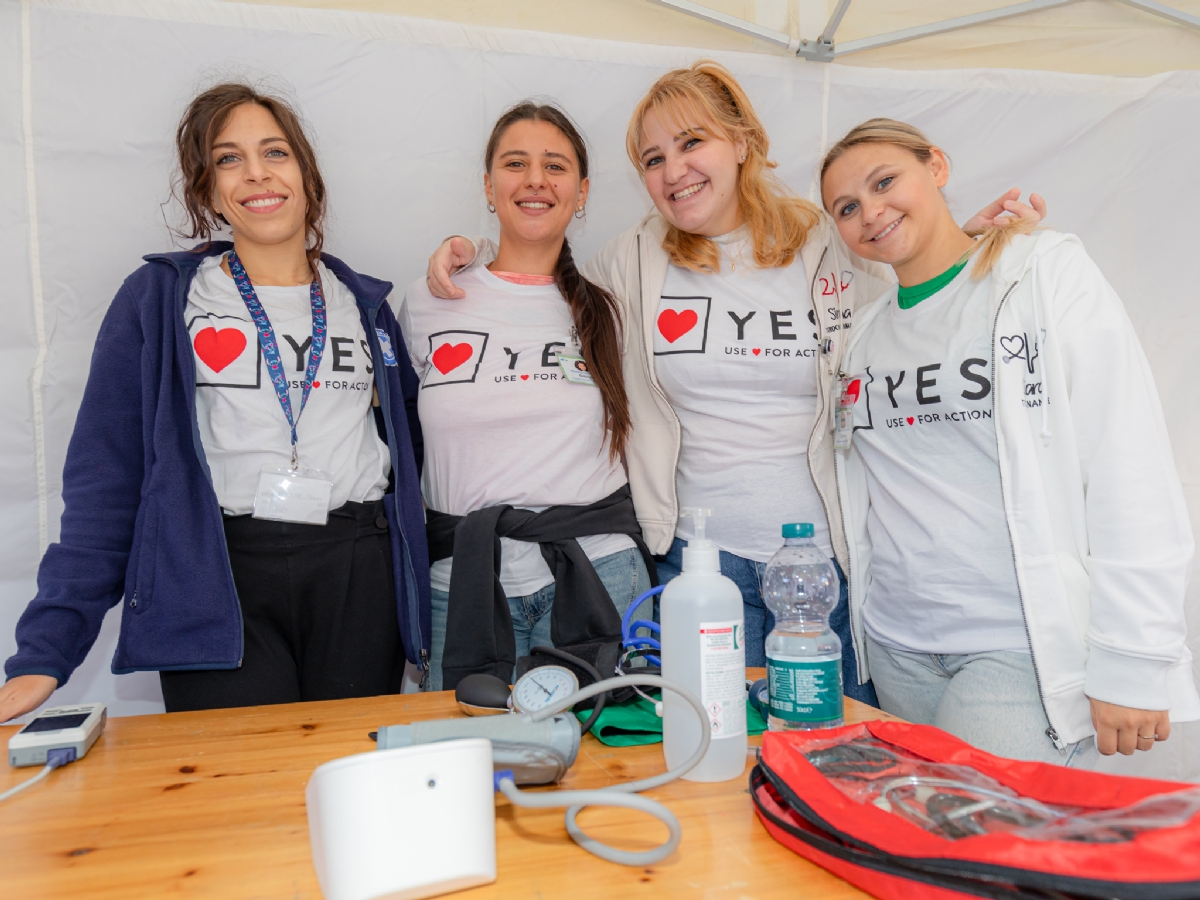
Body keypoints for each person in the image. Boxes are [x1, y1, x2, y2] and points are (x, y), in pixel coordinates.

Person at [424, 61, 1041, 706]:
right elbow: (536, 273)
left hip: (828, 563)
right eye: (653, 158)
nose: (673, 170)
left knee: (836, 749)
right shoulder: (629, 261)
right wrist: (463, 248)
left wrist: (966, 241)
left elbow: (909, 300)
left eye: (693, 142)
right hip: (696, 565)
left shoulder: (826, 239)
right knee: (721, 757)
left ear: (742, 142)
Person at [0, 83, 428, 718]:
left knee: (349, 784)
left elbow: (415, 458)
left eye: (275, 152)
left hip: (356, 576)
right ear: (205, 191)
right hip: (216, 577)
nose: (257, 173)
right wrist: (46, 650)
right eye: (228, 159)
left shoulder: (365, 305)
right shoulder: (162, 300)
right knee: (235, 797)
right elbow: (106, 478)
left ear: (305, 173)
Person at [819, 117, 1199, 763]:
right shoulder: (864, 333)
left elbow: (1124, 459)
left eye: (886, 182)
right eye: (847, 207)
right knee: (918, 842)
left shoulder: (1042, 273)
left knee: (986, 849)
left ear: (935, 166)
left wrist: (1136, 654)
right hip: (894, 644)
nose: (871, 212)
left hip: (1015, 642)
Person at [398, 102, 654, 692]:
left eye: (555, 166)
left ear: (582, 191)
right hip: (461, 581)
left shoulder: (613, 305)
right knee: (466, 761)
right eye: (516, 164)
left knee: (609, 756)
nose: (536, 180)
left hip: (599, 571)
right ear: (489, 186)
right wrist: (472, 249)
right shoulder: (431, 298)